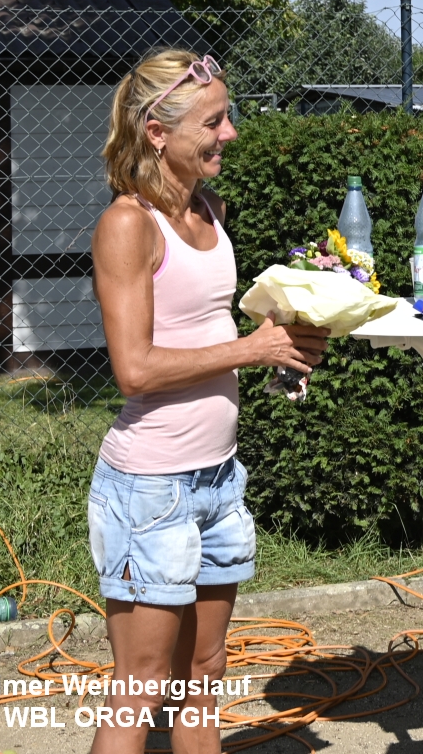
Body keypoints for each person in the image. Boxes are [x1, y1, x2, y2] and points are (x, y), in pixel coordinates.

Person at [89, 50, 328, 753]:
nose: (230, 133)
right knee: (140, 685)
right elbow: (134, 370)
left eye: (228, 117)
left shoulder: (210, 211)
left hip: (218, 481)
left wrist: (285, 349)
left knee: (204, 673)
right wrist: (252, 350)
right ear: (157, 133)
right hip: (151, 487)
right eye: (213, 121)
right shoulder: (128, 225)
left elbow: (208, 331)